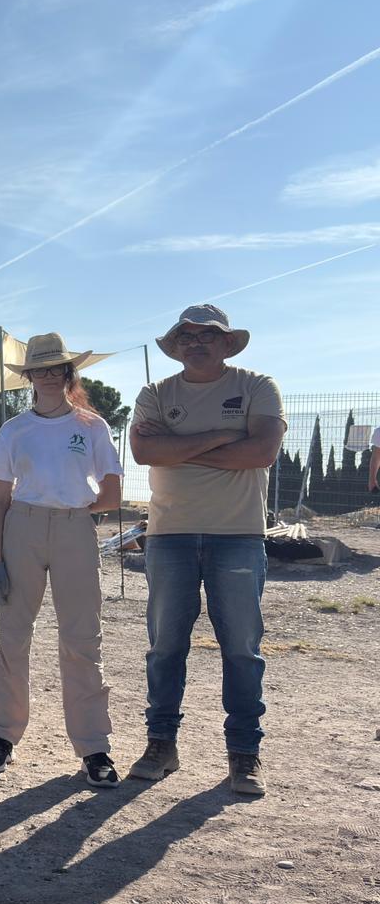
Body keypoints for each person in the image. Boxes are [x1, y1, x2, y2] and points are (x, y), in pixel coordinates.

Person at [128, 305, 285, 796]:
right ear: (176, 344)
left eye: (206, 335)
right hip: (169, 534)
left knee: (241, 648)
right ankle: (161, 745)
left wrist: (182, 444)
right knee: (165, 648)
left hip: (238, 534)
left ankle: (244, 754)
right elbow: (145, 453)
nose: (196, 343)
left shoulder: (259, 385)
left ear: (226, 342)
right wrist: (225, 436)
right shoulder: (155, 393)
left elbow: (261, 453)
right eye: (186, 335)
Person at [0, 335, 124, 787]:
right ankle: (1, 735)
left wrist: (74, 513)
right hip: (21, 526)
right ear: (29, 377)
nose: (45, 375)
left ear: (67, 373)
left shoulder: (92, 426)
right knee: (13, 633)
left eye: (54, 367)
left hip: (75, 529)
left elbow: (113, 492)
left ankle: (94, 746)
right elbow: (0, 499)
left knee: (82, 638)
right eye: (37, 369)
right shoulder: (14, 429)